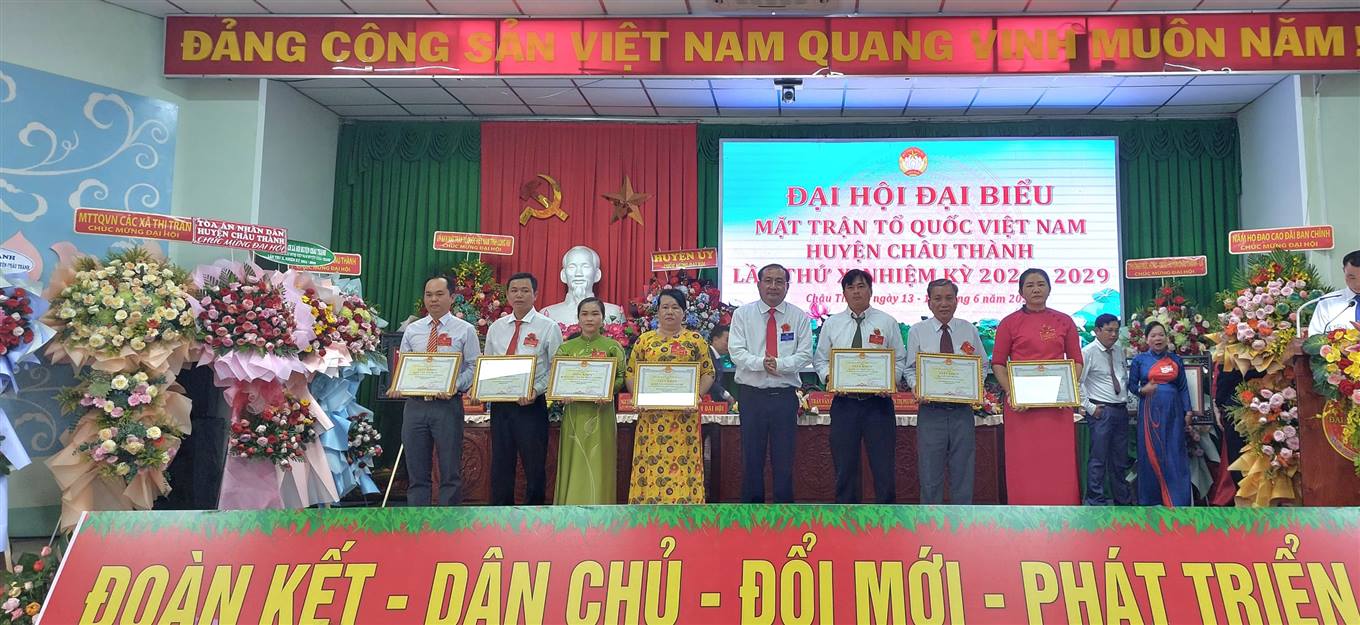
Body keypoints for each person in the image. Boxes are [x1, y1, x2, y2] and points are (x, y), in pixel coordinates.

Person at [991, 268, 1085, 505]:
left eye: (1041, 284)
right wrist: (1012, 393)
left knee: (1058, 463)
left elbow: (1077, 361)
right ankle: (1023, 512)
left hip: (1057, 407)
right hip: (1022, 408)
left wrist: (1067, 390)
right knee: (1025, 462)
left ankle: (1064, 510)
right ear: (1021, 292)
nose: (1036, 289)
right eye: (1030, 285)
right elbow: (998, 363)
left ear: (1049, 289)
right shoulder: (1009, 323)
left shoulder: (1064, 321)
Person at [815, 269, 907, 504]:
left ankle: (886, 517)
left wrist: (891, 381)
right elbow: (820, 360)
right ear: (844, 293)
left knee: (883, 468)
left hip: (879, 405)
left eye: (861, 286)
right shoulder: (832, 324)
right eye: (851, 287)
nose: (856, 292)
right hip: (845, 404)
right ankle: (847, 517)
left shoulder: (887, 322)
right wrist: (830, 378)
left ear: (870, 290)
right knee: (845, 468)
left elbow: (899, 359)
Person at [388, 275, 480, 506]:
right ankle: (418, 519)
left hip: (447, 407)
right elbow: (405, 366)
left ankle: (448, 520)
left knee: (450, 472)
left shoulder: (465, 330)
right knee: (416, 472)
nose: (433, 300)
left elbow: (474, 366)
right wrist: (398, 385)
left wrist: (455, 385)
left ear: (452, 297)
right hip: (415, 407)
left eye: (439, 294)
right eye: (429, 295)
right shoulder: (413, 330)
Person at [729, 263, 813, 503]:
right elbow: (736, 351)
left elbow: (805, 354)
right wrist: (761, 363)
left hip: (784, 398)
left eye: (779, 281)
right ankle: (751, 513)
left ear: (787, 286)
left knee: (784, 460)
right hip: (751, 397)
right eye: (768, 281)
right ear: (759, 285)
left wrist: (780, 365)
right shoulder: (742, 314)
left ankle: (784, 514)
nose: (773, 286)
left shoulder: (799, 316)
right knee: (751, 460)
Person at [626, 289, 716, 503]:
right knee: (650, 462)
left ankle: (685, 510)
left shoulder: (695, 340)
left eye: (675, 307)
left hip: (684, 418)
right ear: (657, 311)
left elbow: (708, 372)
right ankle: (648, 511)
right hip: (651, 418)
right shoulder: (645, 340)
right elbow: (631, 373)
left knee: (683, 464)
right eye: (665, 307)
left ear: (684, 312)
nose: (670, 312)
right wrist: (637, 397)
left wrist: (697, 396)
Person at [484, 272, 564, 505]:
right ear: (507, 295)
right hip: (501, 406)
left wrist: (536, 390)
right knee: (501, 464)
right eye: (514, 290)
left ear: (535, 294)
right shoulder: (496, 328)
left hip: (531, 406)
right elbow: (488, 364)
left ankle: (535, 516)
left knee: (534, 465)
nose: (519, 295)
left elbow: (556, 367)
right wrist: (484, 390)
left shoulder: (548, 327)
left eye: (525, 290)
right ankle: (500, 515)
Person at [904, 278, 983, 505]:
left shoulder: (969, 329)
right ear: (929, 302)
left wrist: (974, 387)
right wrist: (917, 387)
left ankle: (962, 523)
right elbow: (910, 369)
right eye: (938, 298)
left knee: (963, 474)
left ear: (957, 301)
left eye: (949, 298)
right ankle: (930, 522)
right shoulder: (918, 331)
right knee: (930, 475)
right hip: (931, 411)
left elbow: (982, 366)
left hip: (962, 412)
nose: (944, 303)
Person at [553, 298, 626, 505]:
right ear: (578, 318)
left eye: (595, 314)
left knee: (599, 458)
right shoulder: (566, 348)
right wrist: (562, 393)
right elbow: (558, 378)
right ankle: (570, 508)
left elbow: (621, 376)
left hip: (601, 413)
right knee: (574, 457)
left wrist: (608, 391)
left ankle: (600, 507)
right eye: (584, 314)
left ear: (603, 318)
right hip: (574, 412)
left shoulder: (613, 347)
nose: (589, 318)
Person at [1128, 322, 1196, 507]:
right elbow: (1132, 386)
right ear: (1146, 339)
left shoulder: (1176, 359)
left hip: (1173, 413)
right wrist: (1143, 390)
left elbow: (1183, 387)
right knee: (1150, 454)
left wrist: (1188, 410)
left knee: (1175, 452)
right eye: (1153, 335)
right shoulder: (1139, 360)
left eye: (1161, 335)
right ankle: (1151, 501)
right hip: (1149, 412)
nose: (1157, 339)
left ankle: (1177, 501)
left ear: (1167, 338)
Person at [1079, 313, 1136, 506]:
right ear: (1097, 331)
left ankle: (1122, 500)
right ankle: (1095, 500)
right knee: (1099, 459)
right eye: (1109, 330)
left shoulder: (1119, 351)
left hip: (1121, 410)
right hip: (1101, 411)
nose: (1113, 335)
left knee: (1120, 459)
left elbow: (1122, 378)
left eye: (1116, 331)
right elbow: (1077, 382)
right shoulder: (1087, 352)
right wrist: (1090, 408)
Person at [540, 246, 625, 325]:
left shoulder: (614, 312)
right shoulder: (547, 314)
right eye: (572, 267)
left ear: (597, 275)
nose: (578, 273)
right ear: (563, 275)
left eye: (585, 266)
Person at [1307, 249, 1360, 336]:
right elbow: (1315, 337)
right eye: (1352, 278)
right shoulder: (1327, 302)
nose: (1357, 283)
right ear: (1344, 271)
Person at [707, 324, 733, 403]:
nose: (729, 345)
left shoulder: (716, 357)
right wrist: (726, 395)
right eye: (727, 340)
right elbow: (709, 380)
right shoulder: (707, 355)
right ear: (715, 339)